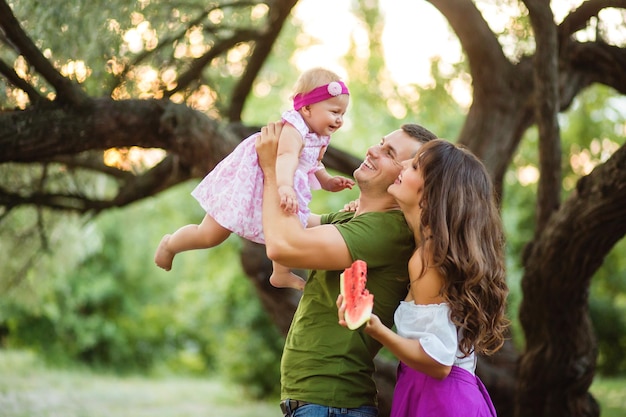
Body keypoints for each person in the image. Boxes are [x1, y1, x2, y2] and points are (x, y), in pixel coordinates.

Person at [255, 121, 437, 417]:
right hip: (320, 402)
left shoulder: (387, 231)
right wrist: (291, 160)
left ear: (407, 177)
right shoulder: (353, 218)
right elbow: (276, 226)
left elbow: (283, 246)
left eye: (389, 153)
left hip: (333, 405)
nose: (373, 150)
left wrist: (273, 171)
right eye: (380, 142)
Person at [337, 139, 510, 417]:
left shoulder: (427, 259)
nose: (403, 164)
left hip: (439, 399)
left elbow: (439, 361)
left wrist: (376, 329)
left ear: (430, 194)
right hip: (442, 394)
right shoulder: (431, 251)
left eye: (415, 165)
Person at [154, 67, 354, 290]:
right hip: (253, 181)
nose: (339, 120)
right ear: (307, 108)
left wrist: (327, 181)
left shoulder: (319, 135)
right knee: (210, 235)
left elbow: (312, 163)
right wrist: (285, 187)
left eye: (342, 114)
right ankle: (171, 244)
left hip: (279, 183)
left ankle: (281, 272)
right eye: (335, 112)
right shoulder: (294, 129)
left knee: (287, 224)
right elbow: (287, 157)